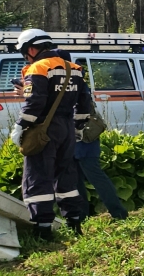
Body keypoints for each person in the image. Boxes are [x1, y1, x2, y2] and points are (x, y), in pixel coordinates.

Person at [9, 29, 93, 241]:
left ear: (32, 48)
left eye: (24, 52)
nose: (25, 57)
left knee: (37, 176)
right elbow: (84, 102)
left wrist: (19, 126)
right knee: (66, 176)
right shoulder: (74, 68)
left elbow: (35, 103)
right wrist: (79, 125)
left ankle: (43, 230)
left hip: (44, 129)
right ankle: (75, 223)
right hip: (67, 128)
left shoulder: (38, 67)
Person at [73, 113, 129, 220]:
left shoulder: (75, 97)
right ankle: (81, 217)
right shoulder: (78, 97)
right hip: (81, 143)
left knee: (96, 178)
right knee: (77, 180)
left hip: (83, 143)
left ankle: (119, 213)